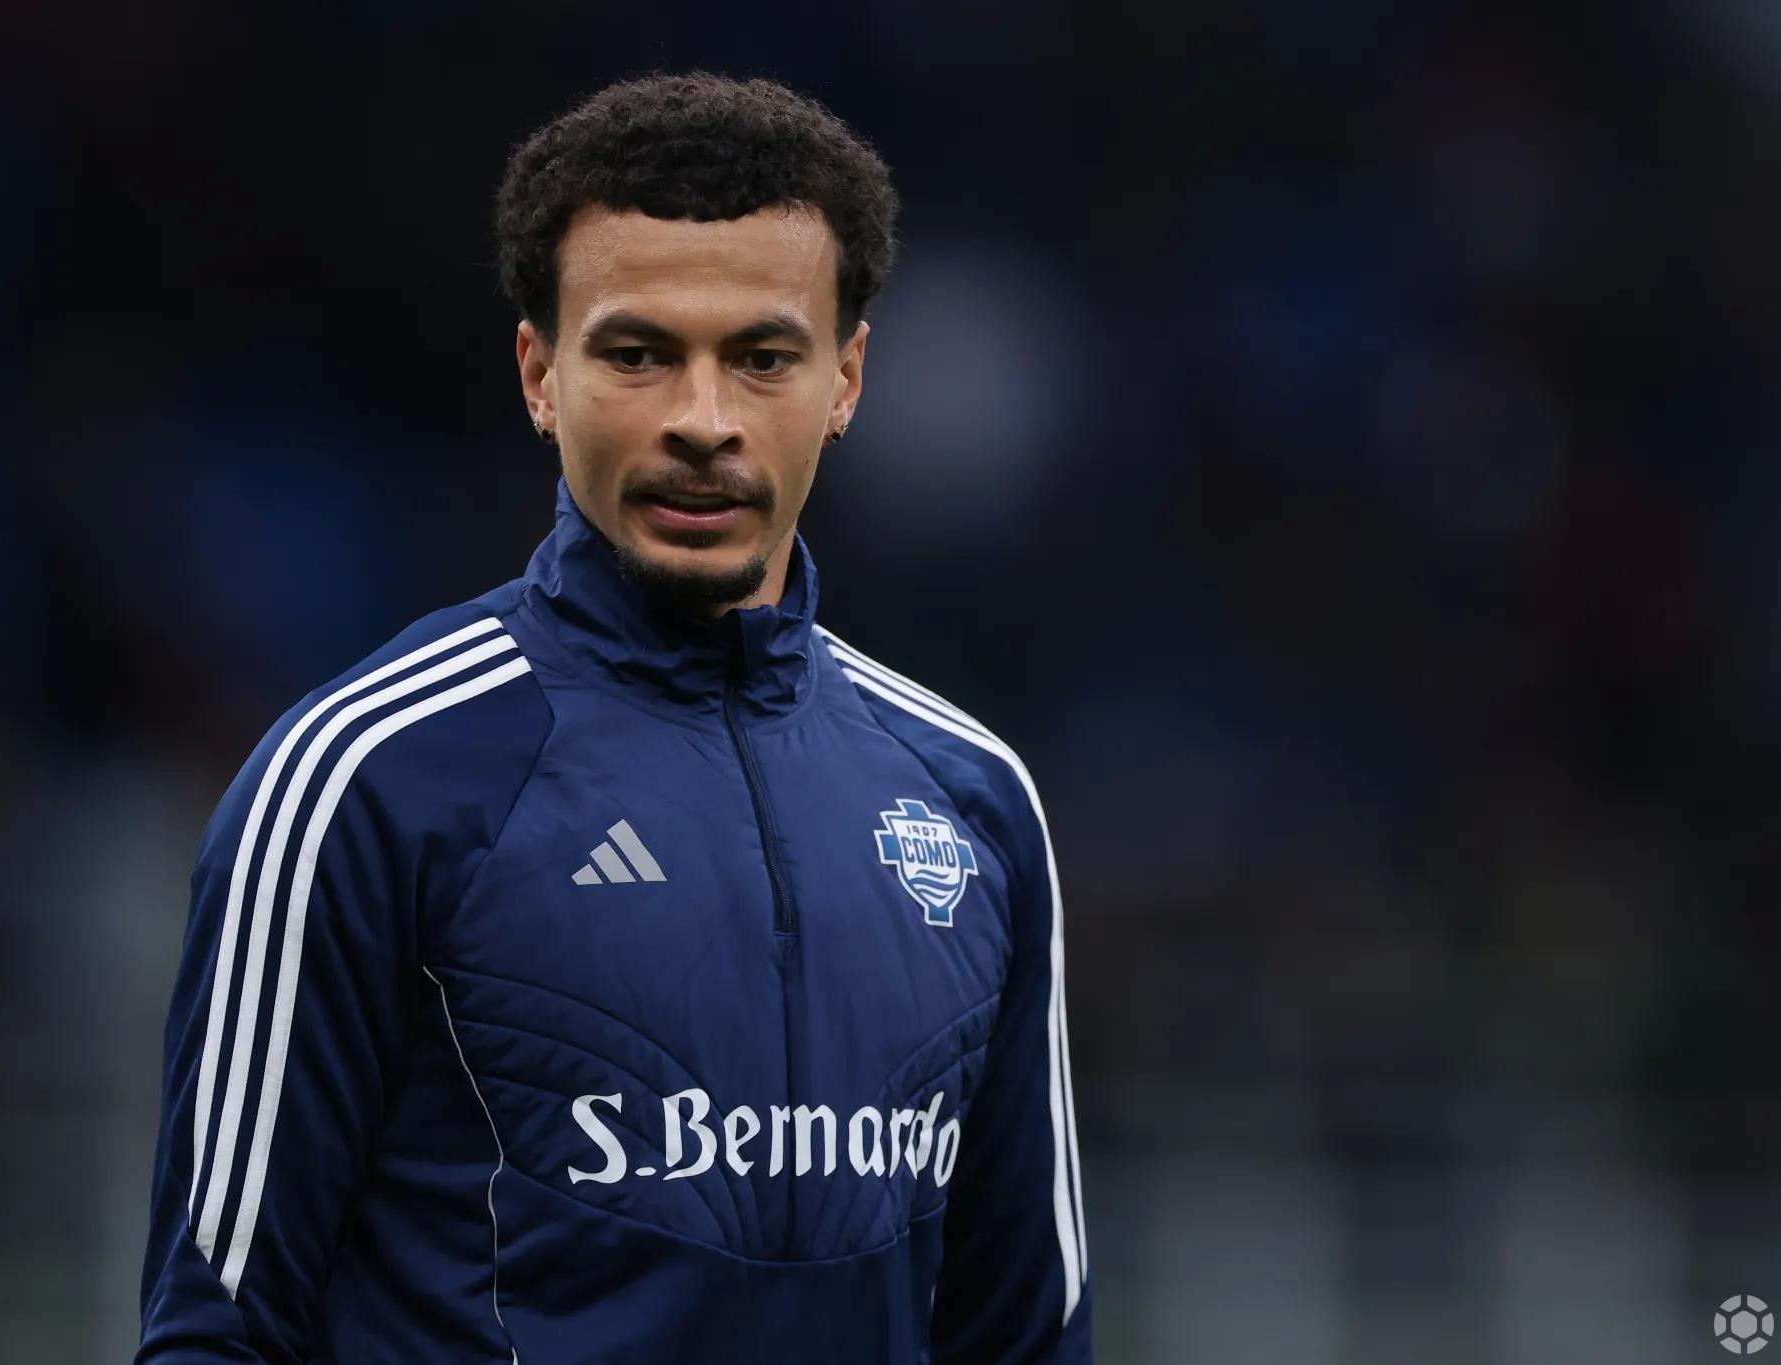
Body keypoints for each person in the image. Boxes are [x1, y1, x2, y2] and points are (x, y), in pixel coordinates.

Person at [136, 71, 1091, 1363]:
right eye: (638, 355)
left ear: (849, 378)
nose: (703, 422)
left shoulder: (974, 800)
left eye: (763, 358)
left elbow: (1027, 1339)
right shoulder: (361, 782)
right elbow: (215, 1334)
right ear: (541, 374)